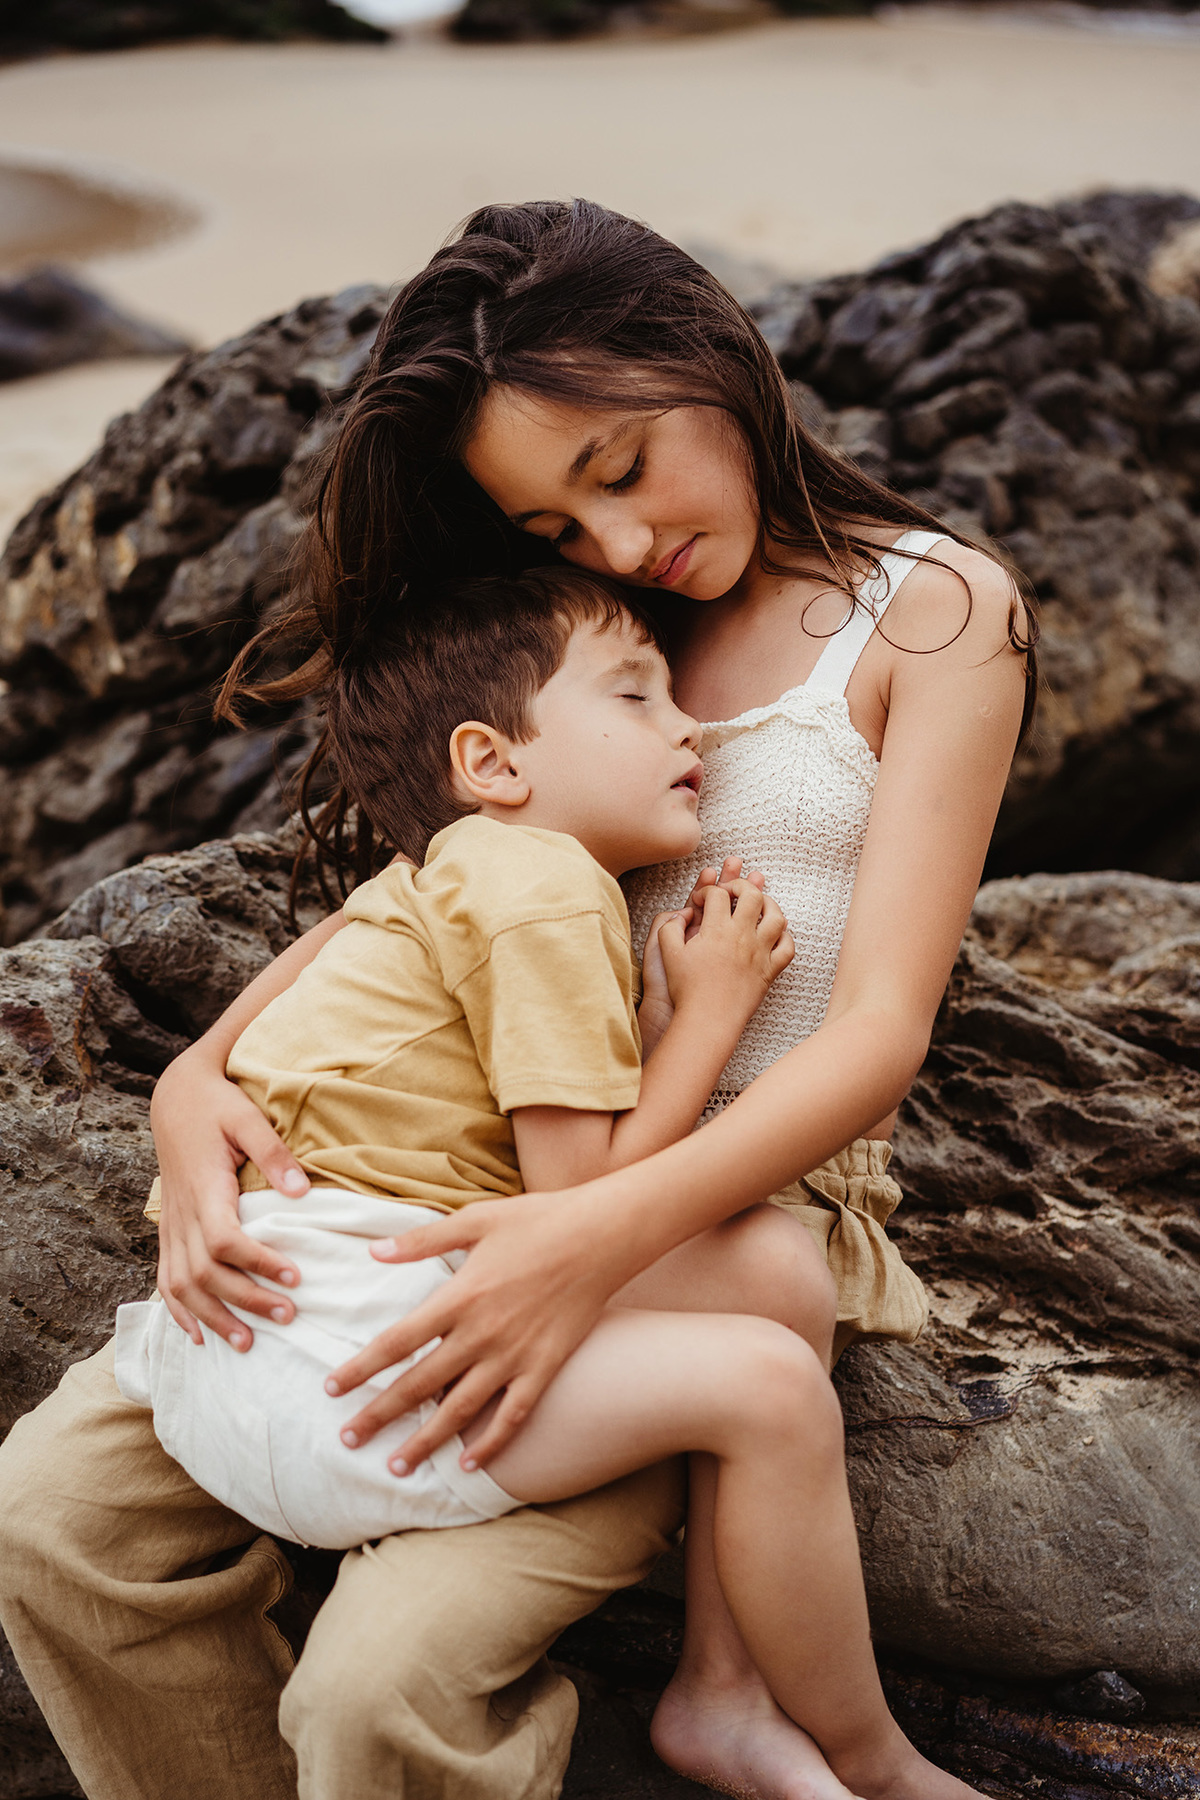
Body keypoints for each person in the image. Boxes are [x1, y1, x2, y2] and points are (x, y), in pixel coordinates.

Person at [0, 198, 1034, 1800]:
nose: (616, 545)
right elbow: (431, 894)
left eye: (622, 470)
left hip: (708, 1214)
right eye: (559, 523)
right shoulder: (583, 631)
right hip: (429, 1182)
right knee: (50, 1522)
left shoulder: (938, 612)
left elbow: (882, 1032)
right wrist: (194, 1082)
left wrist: (587, 1237)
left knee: (381, 1691)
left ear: (707, 351)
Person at [113, 565, 800, 1553]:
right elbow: (579, 1203)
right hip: (352, 1359)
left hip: (218, 1361)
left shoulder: (438, 876)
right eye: (634, 695)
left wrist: (653, 1019)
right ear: (490, 761)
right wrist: (713, 1015)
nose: (690, 726)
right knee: (780, 1334)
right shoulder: (547, 887)